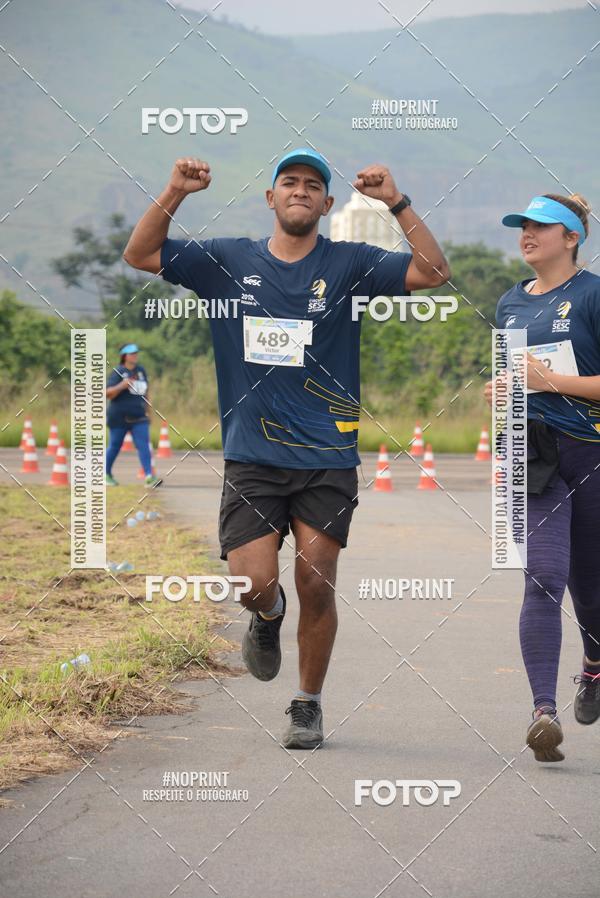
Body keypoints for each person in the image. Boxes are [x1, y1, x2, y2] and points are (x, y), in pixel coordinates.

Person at [123, 147, 450, 749]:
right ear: (270, 198)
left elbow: (432, 273)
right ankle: (266, 618)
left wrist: (395, 202)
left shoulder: (350, 264)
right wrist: (174, 192)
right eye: (289, 182)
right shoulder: (227, 260)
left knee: (316, 580)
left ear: (327, 205)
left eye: (312, 186)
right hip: (253, 454)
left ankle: (308, 704)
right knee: (252, 584)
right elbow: (140, 253)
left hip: (327, 453)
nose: (300, 190)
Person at [485, 193, 600, 762]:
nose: (527, 234)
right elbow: (514, 378)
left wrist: (549, 381)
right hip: (534, 456)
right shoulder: (509, 303)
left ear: (572, 237)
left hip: (592, 452)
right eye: (521, 226)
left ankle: (595, 664)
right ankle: (543, 712)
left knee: (592, 591)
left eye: (540, 226)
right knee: (543, 577)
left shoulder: (594, 294)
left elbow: (554, 377)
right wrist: (504, 390)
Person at [105, 343, 161, 487]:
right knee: (115, 446)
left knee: (144, 445)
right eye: (132, 354)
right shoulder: (118, 371)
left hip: (139, 417)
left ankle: (149, 476)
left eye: (136, 353)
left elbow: (146, 393)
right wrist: (121, 386)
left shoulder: (141, 371)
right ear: (124, 356)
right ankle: (106, 474)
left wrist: (149, 412)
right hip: (119, 417)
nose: (135, 356)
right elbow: (107, 393)